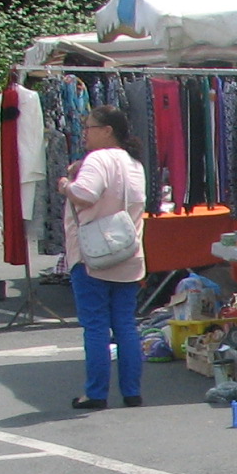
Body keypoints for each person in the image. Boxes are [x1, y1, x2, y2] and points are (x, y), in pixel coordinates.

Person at [58, 103, 149, 411]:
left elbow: (85, 195)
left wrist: (66, 185)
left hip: (93, 254)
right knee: (125, 324)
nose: (84, 134)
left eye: (89, 128)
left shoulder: (98, 159)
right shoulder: (134, 163)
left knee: (96, 325)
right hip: (128, 254)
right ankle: (132, 391)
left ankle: (96, 392)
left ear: (107, 131)